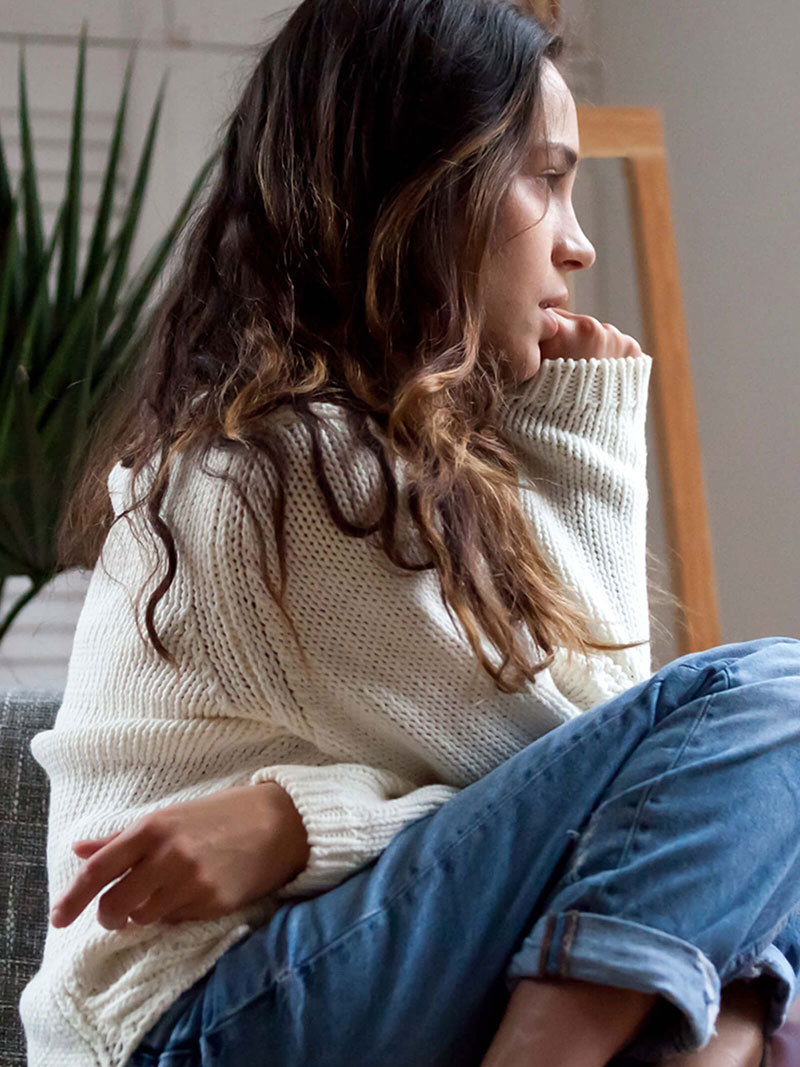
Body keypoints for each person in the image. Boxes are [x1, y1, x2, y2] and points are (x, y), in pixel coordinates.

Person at [18, 1, 800, 1065]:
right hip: (195, 1020)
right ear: (422, 187)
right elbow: (623, 773)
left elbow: (622, 803)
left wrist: (299, 823)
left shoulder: (375, 455)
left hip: (305, 979)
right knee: (778, 707)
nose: (576, 243)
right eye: (544, 177)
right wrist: (587, 436)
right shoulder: (282, 469)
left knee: (756, 887)